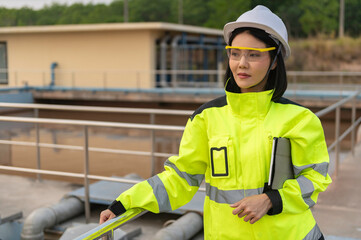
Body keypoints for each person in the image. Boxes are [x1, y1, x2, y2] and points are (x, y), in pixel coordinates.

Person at [100, 5, 332, 240]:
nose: (242, 63)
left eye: (254, 54)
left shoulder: (300, 119)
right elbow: (181, 178)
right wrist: (122, 205)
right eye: (235, 53)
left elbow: (315, 179)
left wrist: (270, 200)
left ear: (274, 61)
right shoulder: (206, 118)